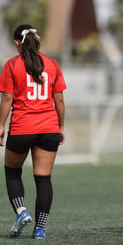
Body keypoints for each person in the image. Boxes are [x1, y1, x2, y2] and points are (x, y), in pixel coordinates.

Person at [0, 24, 66, 239]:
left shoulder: (11, 65)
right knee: (43, 178)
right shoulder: (52, 64)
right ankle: (40, 229)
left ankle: (21, 211)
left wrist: (0, 125)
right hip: (49, 128)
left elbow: (7, 98)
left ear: (17, 43)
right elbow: (59, 99)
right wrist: (61, 126)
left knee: (12, 171)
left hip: (21, 128)